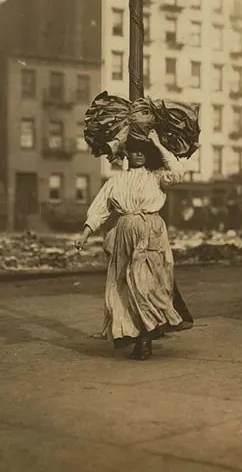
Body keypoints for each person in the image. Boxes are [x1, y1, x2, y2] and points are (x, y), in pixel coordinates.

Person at [75, 129, 193, 360]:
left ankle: (146, 338)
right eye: (133, 151)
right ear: (126, 154)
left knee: (146, 285)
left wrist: (158, 143)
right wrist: (85, 235)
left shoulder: (156, 176)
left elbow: (178, 172)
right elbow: (99, 209)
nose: (138, 155)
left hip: (152, 234)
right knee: (125, 287)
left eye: (142, 151)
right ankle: (137, 335)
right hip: (125, 235)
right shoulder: (115, 182)